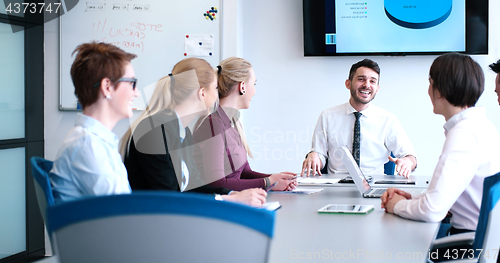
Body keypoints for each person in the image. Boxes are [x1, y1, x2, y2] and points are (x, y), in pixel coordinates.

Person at [381, 53, 500, 261]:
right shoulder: (480, 126)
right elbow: (446, 195)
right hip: (479, 241)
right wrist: (410, 198)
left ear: (440, 90)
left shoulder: (464, 133)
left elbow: (432, 211)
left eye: (430, 83)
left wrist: (395, 205)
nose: (428, 90)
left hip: (467, 244)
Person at [121, 57, 266, 207]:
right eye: (216, 88)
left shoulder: (183, 133)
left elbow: (196, 185)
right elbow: (168, 197)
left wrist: (231, 194)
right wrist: (228, 199)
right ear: (202, 93)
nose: (218, 95)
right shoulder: (153, 132)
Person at [192, 57, 297, 191]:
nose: (254, 90)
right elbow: (217, 184)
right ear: (242, 87)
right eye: (254, 84)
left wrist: (277, 179)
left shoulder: (234, 123)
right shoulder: (213, 124)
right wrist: (267, 182)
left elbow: (244, 173)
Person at [50, 42, 138, 203]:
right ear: (107, 87)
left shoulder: (94, 141)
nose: (136, 93)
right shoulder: (87, 145)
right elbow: (121, 212)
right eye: (132, 83)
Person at [301, 59, 417, 178]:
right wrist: (314, 156)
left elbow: (410, 156)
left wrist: (408, 162)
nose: (366, 85)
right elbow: (319, 155)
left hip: (374, 185)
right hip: (337, 185)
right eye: (361, 79)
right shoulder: (328, 116)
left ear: (377, 88)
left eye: (372, 81)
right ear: (348, 83)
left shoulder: (388, 120)